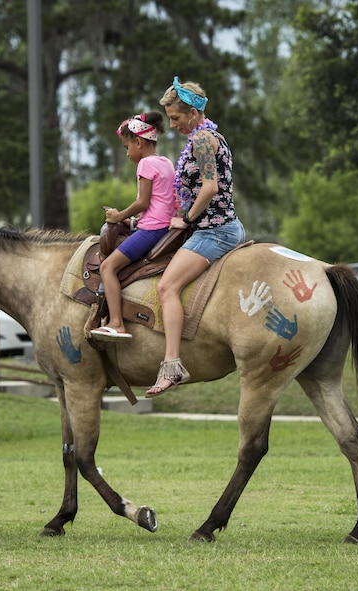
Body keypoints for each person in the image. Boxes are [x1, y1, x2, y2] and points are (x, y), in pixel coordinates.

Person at [145, 77, 246, 397]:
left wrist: (186, 219)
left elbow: (211, 187)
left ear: (192, 113)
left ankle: (172, 364)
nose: (171, 124)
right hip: (212, 225)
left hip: (215, 230)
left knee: (167, 286)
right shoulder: (207, 136)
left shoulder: (203, 139)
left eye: (175, 117)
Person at [90, 111, 177, 342]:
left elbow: (142, 202)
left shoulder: (146, 164)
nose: (127, 153)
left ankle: (116, 323)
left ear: (138, 142)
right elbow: (159, 205)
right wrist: (130, 222)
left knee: (108, 267)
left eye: (127, 146)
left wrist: (119, 215)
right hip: (165, 227)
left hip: (152, 231)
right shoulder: (166, 162)